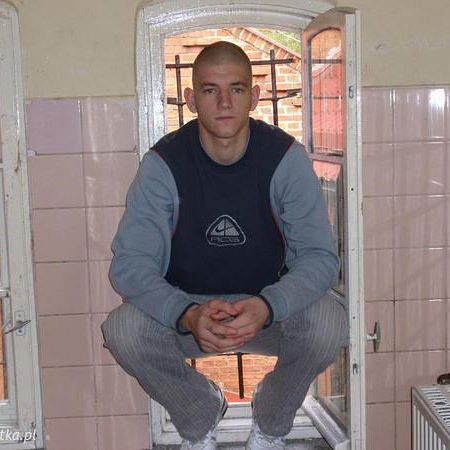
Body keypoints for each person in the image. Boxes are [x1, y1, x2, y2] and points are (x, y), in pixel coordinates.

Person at [101, 41, 348, 450]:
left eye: (236, 88)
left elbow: (320, 259)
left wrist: (268, 305)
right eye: (210, 90)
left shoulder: (285, 158)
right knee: (123, 330)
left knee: (329, 323)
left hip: (268, 310)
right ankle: (200, 415)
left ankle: (271, 423)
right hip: (190, 313)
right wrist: (187, 313)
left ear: (254, 95)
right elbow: (129, 265)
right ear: (190, 98)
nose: (224, 102)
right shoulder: (163, 164)